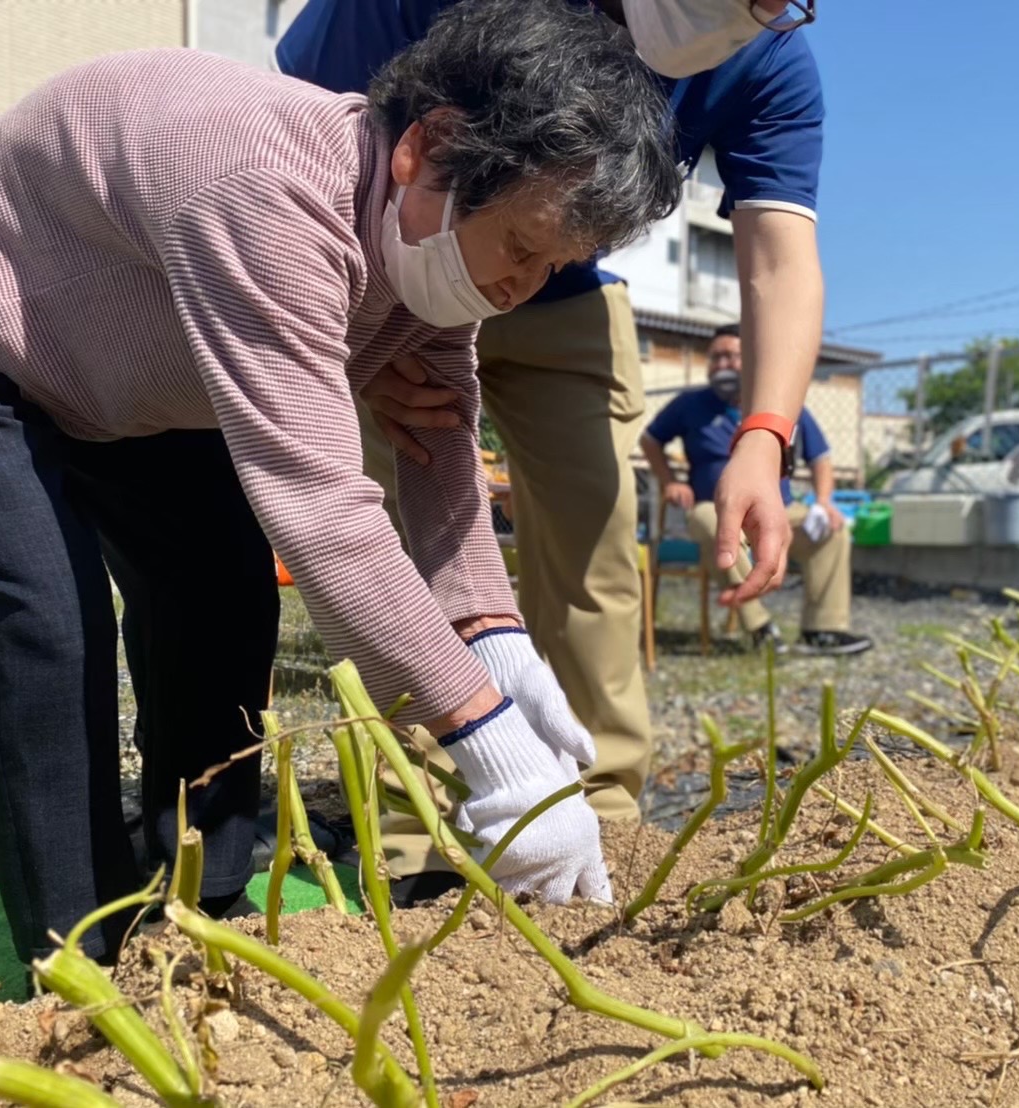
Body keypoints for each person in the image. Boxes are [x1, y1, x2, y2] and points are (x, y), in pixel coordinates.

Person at [0, 0, 681, 965]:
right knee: (48, 625)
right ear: (431, 147)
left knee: (222, 594)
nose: (519, 287)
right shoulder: (267, 188)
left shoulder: (433, 249)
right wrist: (492, 747)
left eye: (553, 266)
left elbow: (438, 446)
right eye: (523, 247)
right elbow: (324, 514)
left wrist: (497, 640)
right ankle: (81, 959)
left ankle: (202, 899)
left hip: (136, 366)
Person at [278, 0, 827, 868]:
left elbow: (780, 261)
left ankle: (600, 810)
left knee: (594, 541)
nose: (759, 11)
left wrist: (765, 435)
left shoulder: (767, 58)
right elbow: (305, 133)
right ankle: (417, 824)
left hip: (566, 296)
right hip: (400, 270)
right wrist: (357, 337)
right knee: (401, 542)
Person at [641, 324, 874, 656]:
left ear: (751, 360)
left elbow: (820, 458)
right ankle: (760, 629)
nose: (722, 365)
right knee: (715, 526)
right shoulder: (689, 404)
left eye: (731, 356)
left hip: (780, 511)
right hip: (714, 508)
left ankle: (823, 630)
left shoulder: (784, 406)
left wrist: (824, 501)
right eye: (715, 358)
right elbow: (650, 440)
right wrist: (670, 481)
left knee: (832, 533)